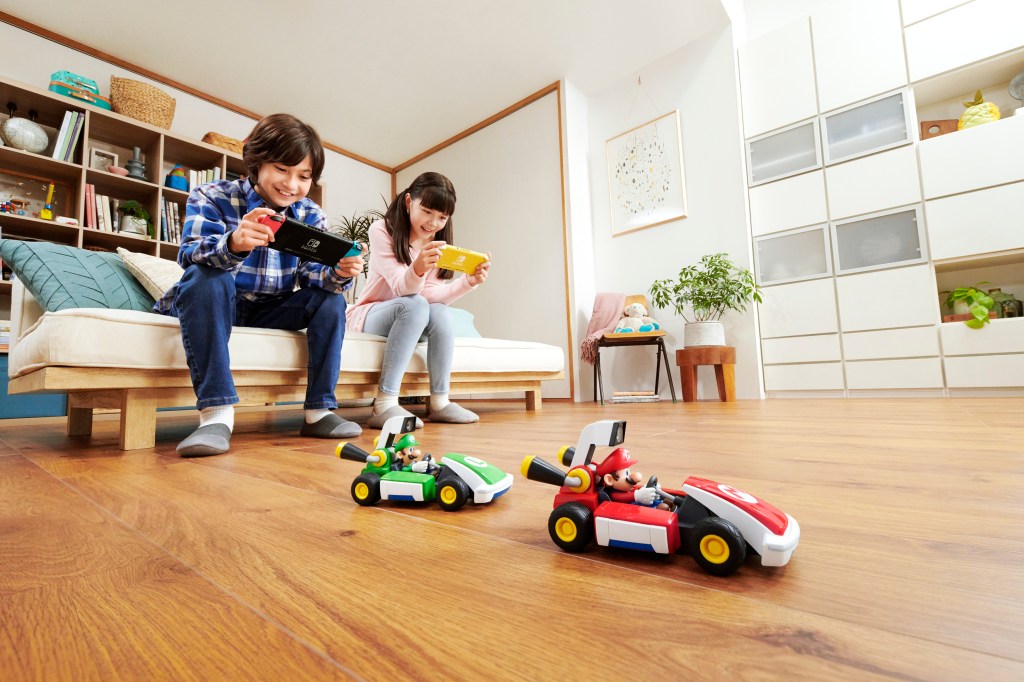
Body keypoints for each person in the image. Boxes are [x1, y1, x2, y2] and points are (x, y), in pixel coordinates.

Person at [155, 113, 365, 457]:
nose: (292, 184)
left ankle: (318, 411)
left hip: (271, 309)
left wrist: (339, 272)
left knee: (331, 300)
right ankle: (216, 416)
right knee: (206, 276)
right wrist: (234, 243)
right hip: (218, 301)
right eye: (282, 169)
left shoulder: (310, 214)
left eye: (304, 176)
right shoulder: (212, 195)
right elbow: (189, 254)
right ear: (255, 160)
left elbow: (309, 276)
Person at [346, 172, 490, 429]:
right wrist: (419, 268)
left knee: (440, 311)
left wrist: (469, 281)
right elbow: (403, 288)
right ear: (408, 201)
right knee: (415, 304)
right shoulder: (382, 230)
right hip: (371, 314)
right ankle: (385, 403)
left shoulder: (436, 244)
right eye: (427, 211)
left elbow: (433, 295)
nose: (434, 223)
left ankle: (440, 402)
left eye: (442, 217)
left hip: (412, 314)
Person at [596, 447, 671, 510]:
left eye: (629, 471)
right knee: (662, 507)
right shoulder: (614, 495)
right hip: (629, 509)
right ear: (609, 480)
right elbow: (626, 497)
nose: (632, 476)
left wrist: (647, 490)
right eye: (626, 473)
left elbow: (634, 491)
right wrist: (638, 495)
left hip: (635, 505)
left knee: (667, 500)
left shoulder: (625, 489)